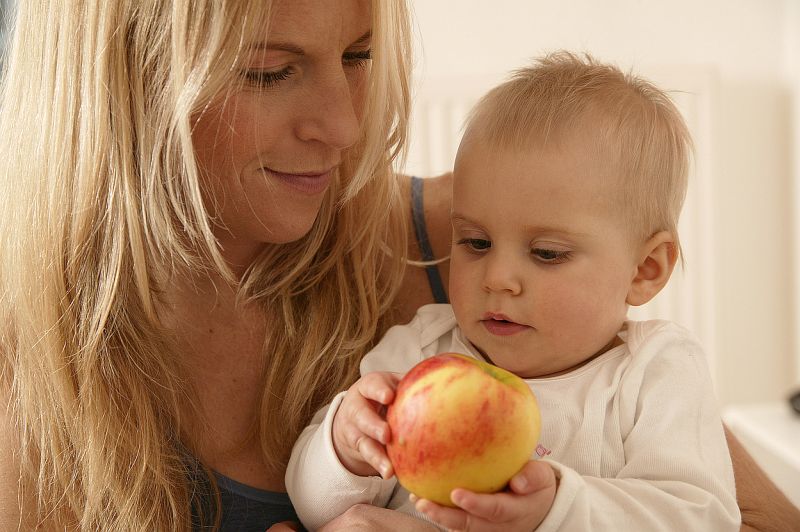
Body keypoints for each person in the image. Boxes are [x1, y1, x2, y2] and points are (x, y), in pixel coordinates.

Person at [0, 1, 796, 531]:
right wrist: (347, 447)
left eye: (358, 54)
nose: (348, 127)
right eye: (271, 71)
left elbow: (716, 516)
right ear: (124, 86)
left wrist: (559, 507)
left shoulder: (488, 252)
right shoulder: (432, 338)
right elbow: (324, 492)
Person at [286, 52, 742, 531]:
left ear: (645, 270)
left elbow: (702, 518)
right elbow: (316, 508)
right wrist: (344, 446)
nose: (497, 277)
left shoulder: (653, 371)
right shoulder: (419, 350)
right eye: (475, 242)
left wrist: (558, 510)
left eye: (547, 253)